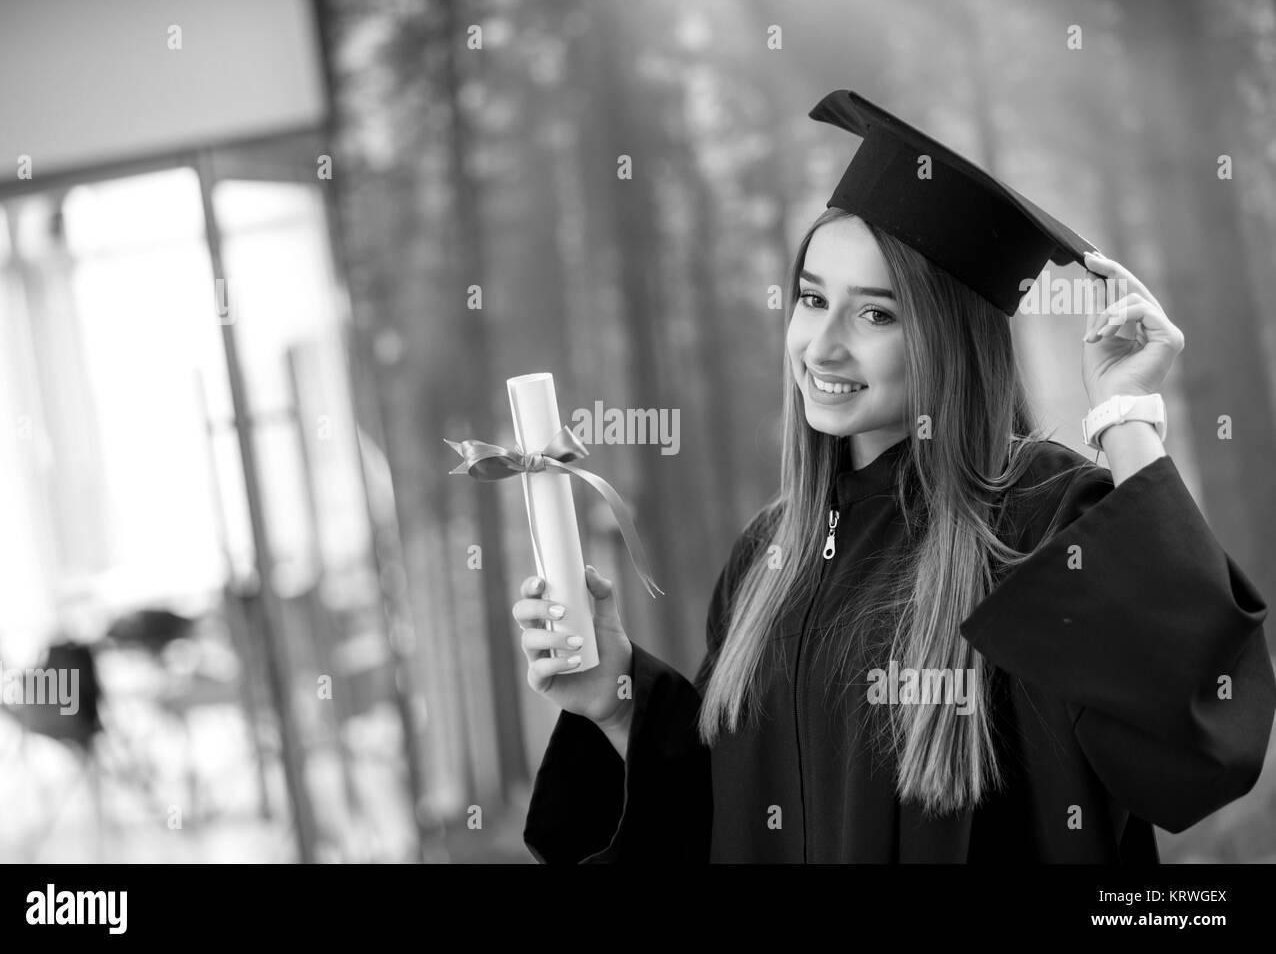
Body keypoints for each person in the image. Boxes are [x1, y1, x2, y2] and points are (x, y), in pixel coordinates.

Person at [515, 90, 1275, 863]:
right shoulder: (770, 555)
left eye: (876, 315)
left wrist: (1126, 416)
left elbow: (1198, 739)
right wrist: (617, 695)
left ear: (949, 338)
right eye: (812, 299)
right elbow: (727, 810)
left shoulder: (1044, 522)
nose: (822, 348)